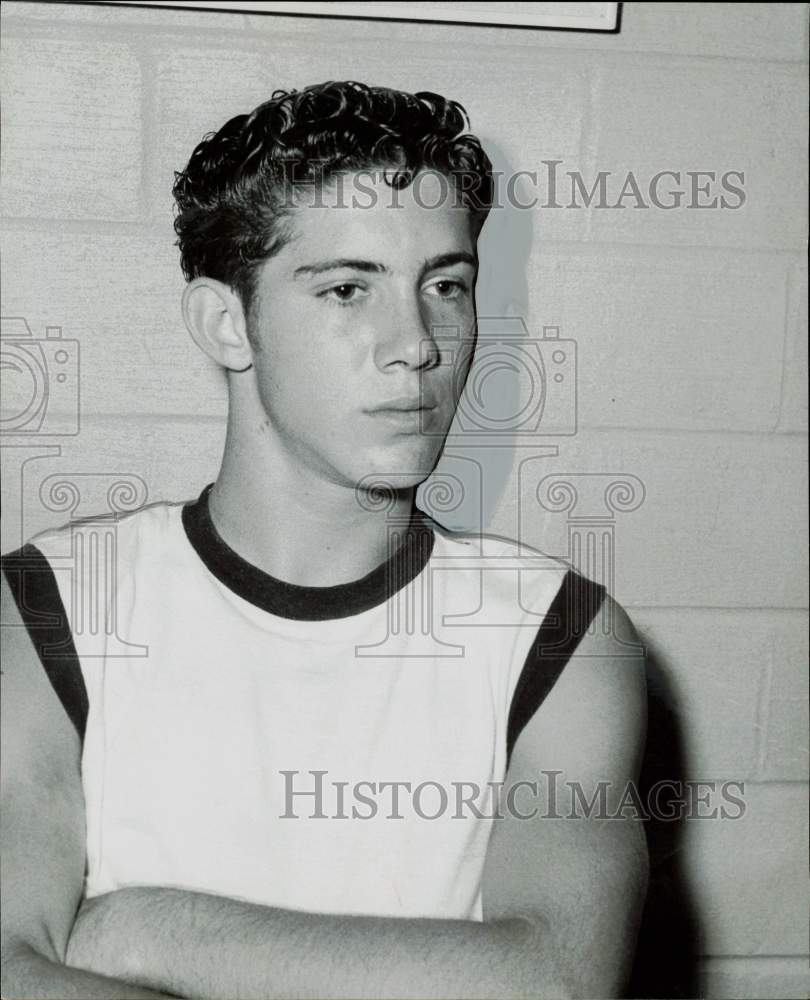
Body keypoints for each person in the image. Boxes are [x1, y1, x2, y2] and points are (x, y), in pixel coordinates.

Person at [1, 81, 648, 999]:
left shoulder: (563, 633)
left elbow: (554, 981)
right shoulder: (49, 607)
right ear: (227, 323)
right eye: (349, 288)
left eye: (446, 286)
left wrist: (153, 930)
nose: (418, 343)